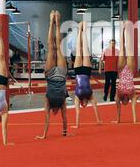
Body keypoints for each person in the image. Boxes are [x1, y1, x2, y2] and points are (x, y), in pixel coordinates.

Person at [36, 11, 70, 139]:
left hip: (51, 75)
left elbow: (46, 119)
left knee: (51, 47)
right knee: (58, 47)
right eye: (56, 113)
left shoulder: (48, 103)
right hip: (61, 74)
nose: (55, 113)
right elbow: (65, 118)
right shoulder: (61, 104)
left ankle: (52, 21)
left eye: (54, 113)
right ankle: (57, 21)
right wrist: (65, 132)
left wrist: (44, 135)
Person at [72, 21, 102, 128]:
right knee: (85, 49)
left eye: (82, 105)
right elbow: (95, 107)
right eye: (86, 105)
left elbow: (77, 113)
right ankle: (84, 28)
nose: (84, 105)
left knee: (79, 51)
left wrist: (77, 125)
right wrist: (98, 120)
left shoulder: (77, 97)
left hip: (78, 72)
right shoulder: (90, 96)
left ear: (81, 104)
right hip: (87, 72)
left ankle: (80, 29)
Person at [114, 21, 139, 124]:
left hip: (121, 72)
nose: (124, 102)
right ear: (128, 101)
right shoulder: (132, 95)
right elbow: (134, 108)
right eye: (126, 102)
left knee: (121, 49)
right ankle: (128, 29)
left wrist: (118, 121)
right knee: (129, 49)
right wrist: (135, 121)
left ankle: (122, 29)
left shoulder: (118, 96)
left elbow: (117, 105)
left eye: (122, 102)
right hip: (130, 70)